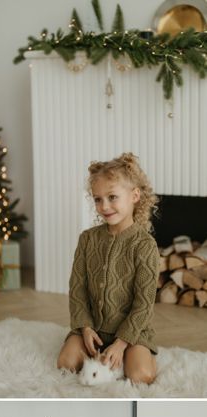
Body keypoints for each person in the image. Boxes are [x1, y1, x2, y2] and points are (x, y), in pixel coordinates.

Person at [57, 152, 160, 385]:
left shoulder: (145, 245)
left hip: (131, 333)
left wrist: (122, 342)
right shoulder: (87, 239)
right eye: (97, 199)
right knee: (65, 364)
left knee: (141, 376)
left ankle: (127, 357)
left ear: (134, 196)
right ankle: (106, 359)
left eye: (112, 197)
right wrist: (84, 328)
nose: (104, 206)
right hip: (92, 328)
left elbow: (143, 304)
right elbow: (77, 289)